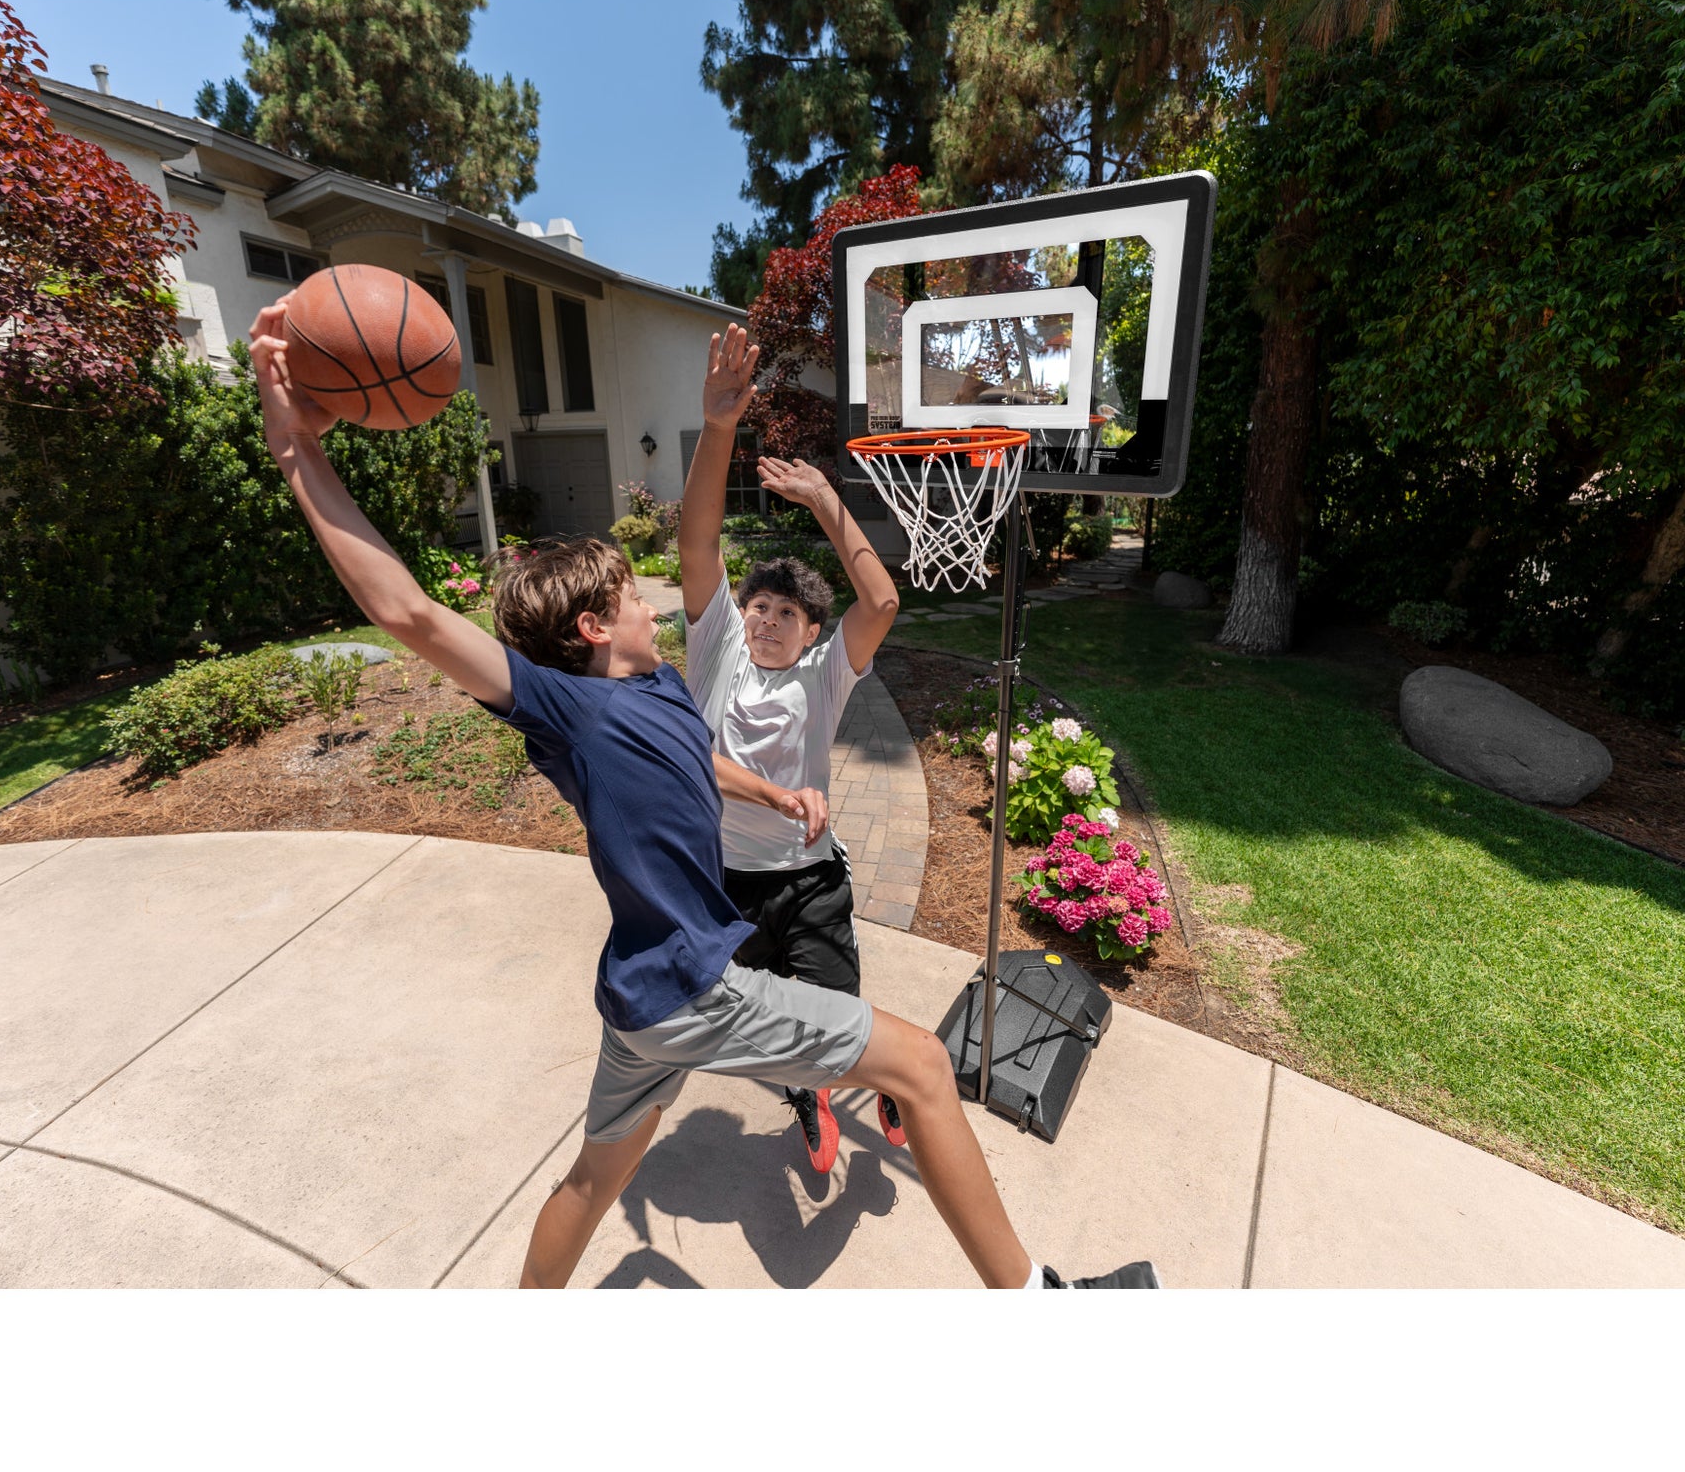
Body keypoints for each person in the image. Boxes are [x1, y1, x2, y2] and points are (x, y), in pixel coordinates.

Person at [247, 299, 1157, 1290]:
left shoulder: (659, 690)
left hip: (643, 996)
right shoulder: (573, 711)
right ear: (595, 626)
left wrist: (770, 787)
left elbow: (699, 762)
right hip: (693, 983)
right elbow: (409, 611)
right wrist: (297, 451)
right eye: (636, 595)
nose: (659, 595)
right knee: (922, 1067)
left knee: (594, 1179)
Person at [678, 321, 900, 1177]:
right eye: (758, 607)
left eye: (786, 615)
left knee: (835, 1009)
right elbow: (698, 542)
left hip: (808, 880)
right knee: (765, 1023)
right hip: (727, 882)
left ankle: (880, 1073)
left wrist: (826, 501)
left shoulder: (821, 678)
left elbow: (877, 605)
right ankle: (809, 1090)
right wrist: (719, 426)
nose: (766, 621)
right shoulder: (717, 647)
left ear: (811, 635)